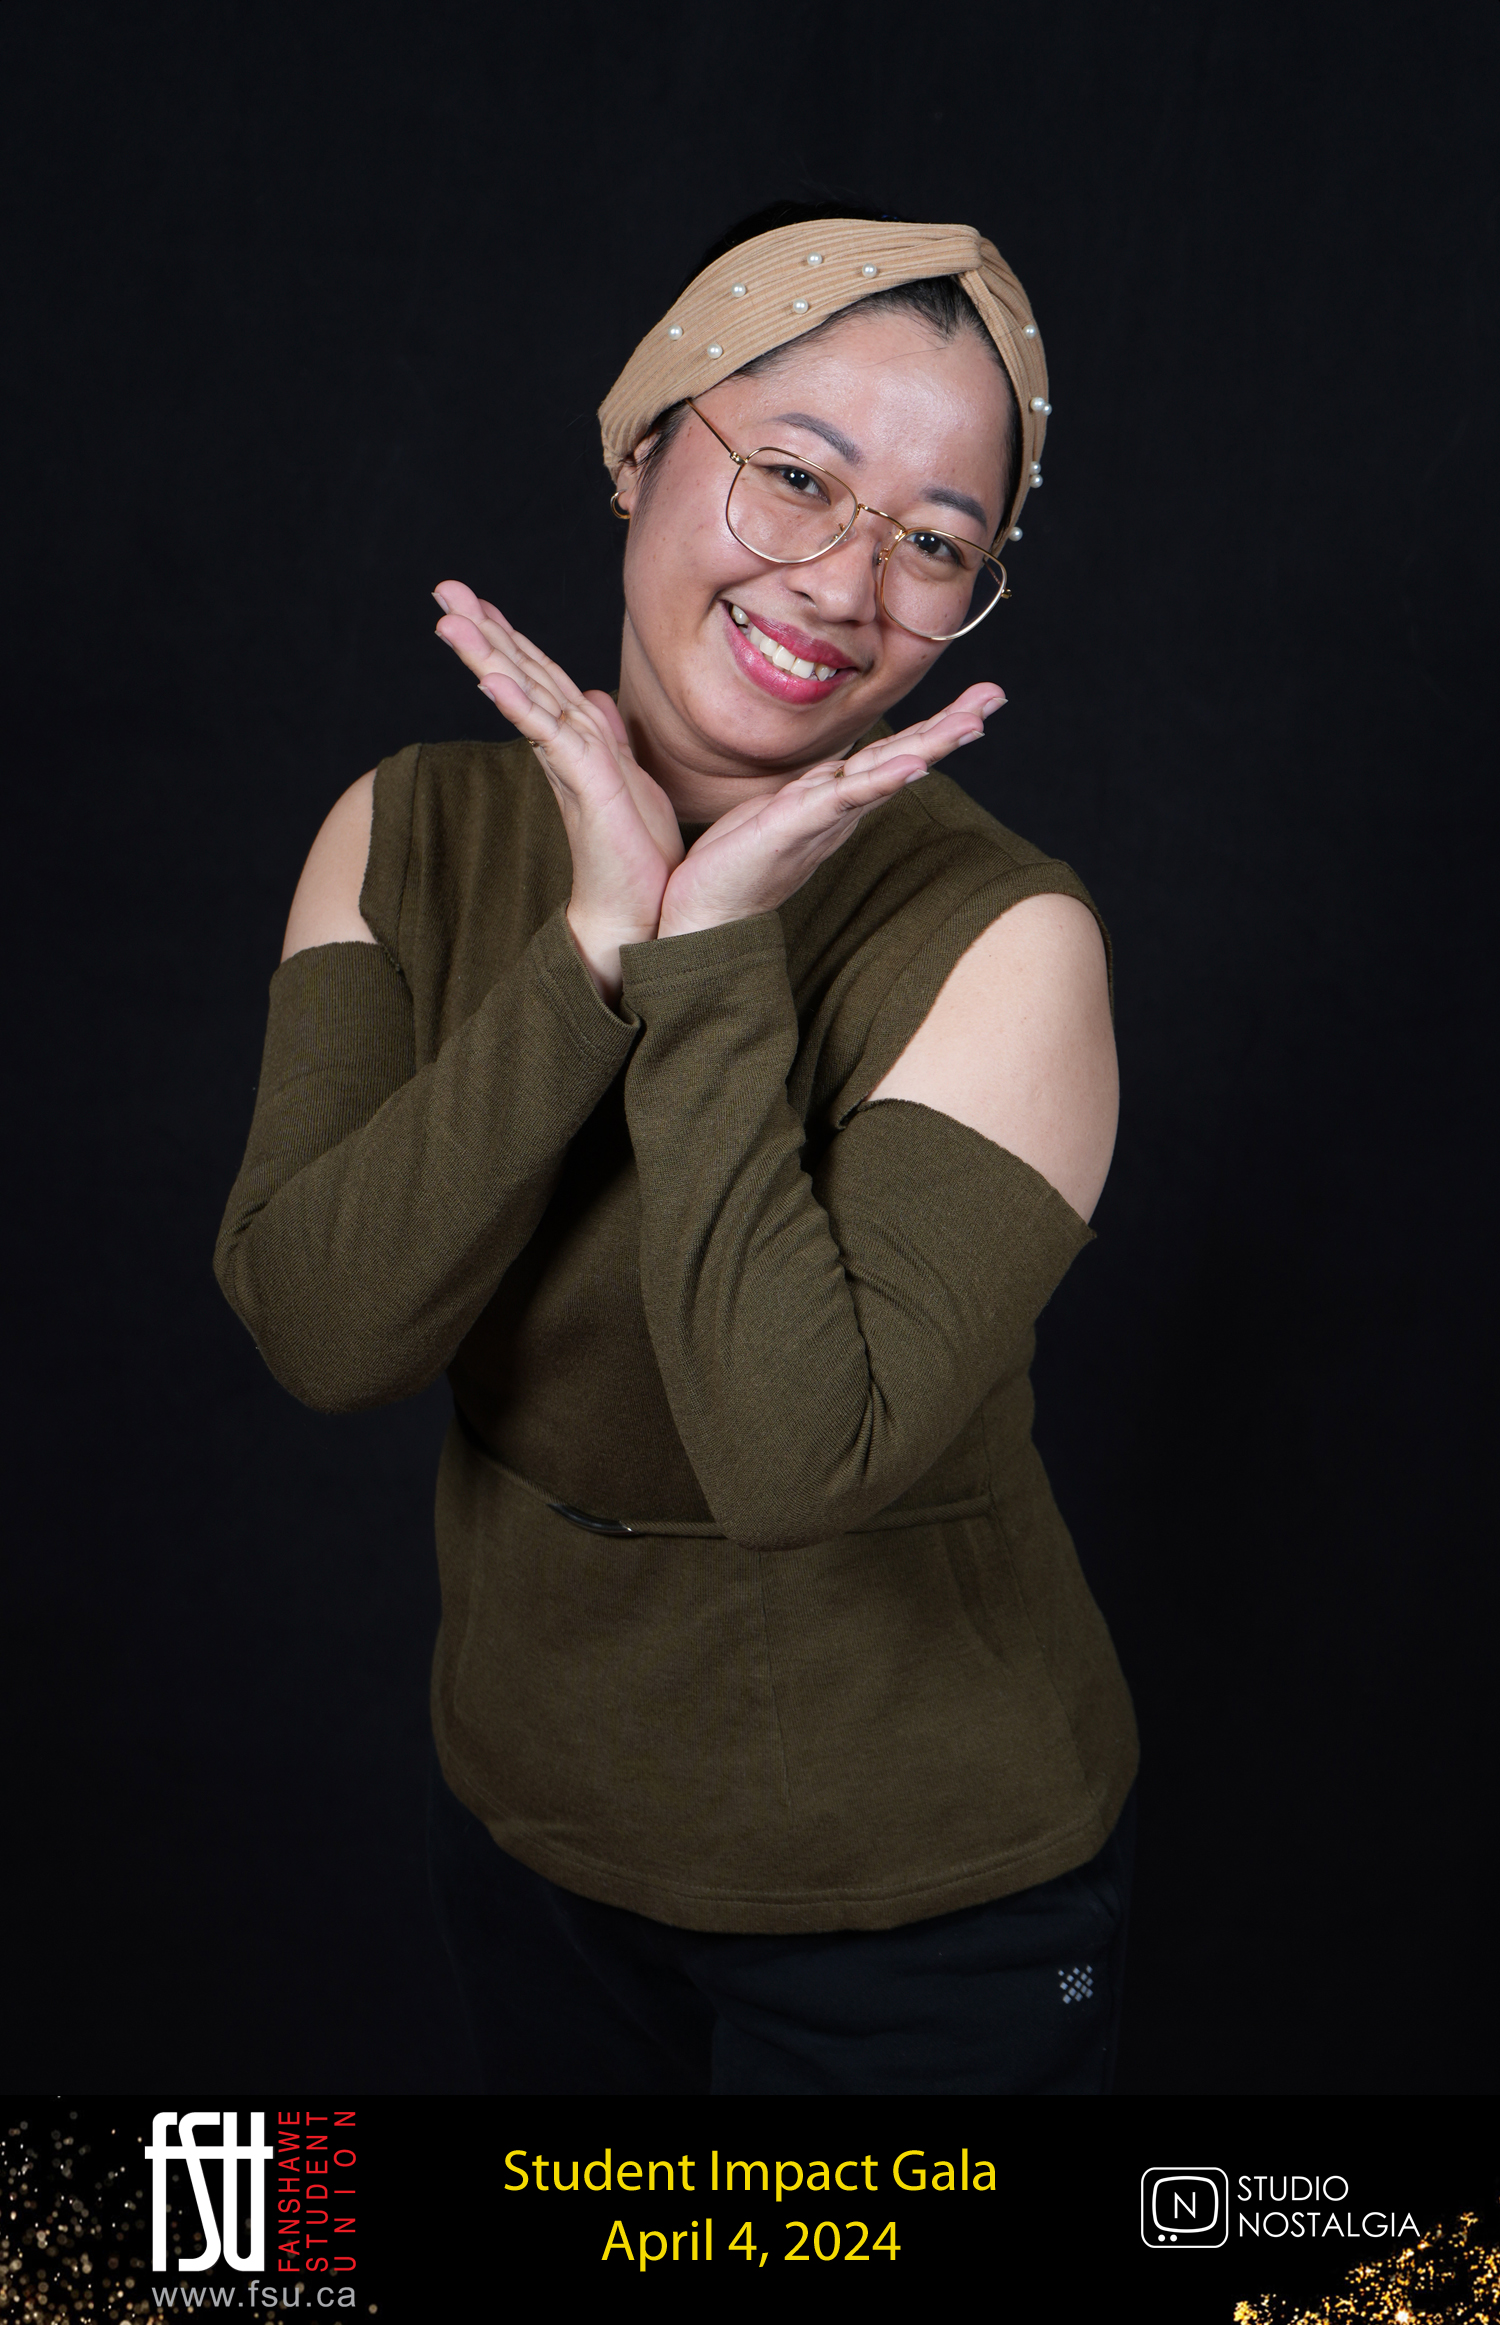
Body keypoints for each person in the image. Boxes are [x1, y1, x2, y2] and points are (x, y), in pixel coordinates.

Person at [215, 201, 1139, 2095]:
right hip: (534, 1830)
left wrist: (705, 957)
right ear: (645, 445)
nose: (842, 582)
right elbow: (326, 1329)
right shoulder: (404, 832)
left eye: (935, 542)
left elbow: (797, 1459)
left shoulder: (1013, 940)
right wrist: (586, 946)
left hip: (918, 1902)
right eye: (794, 475)